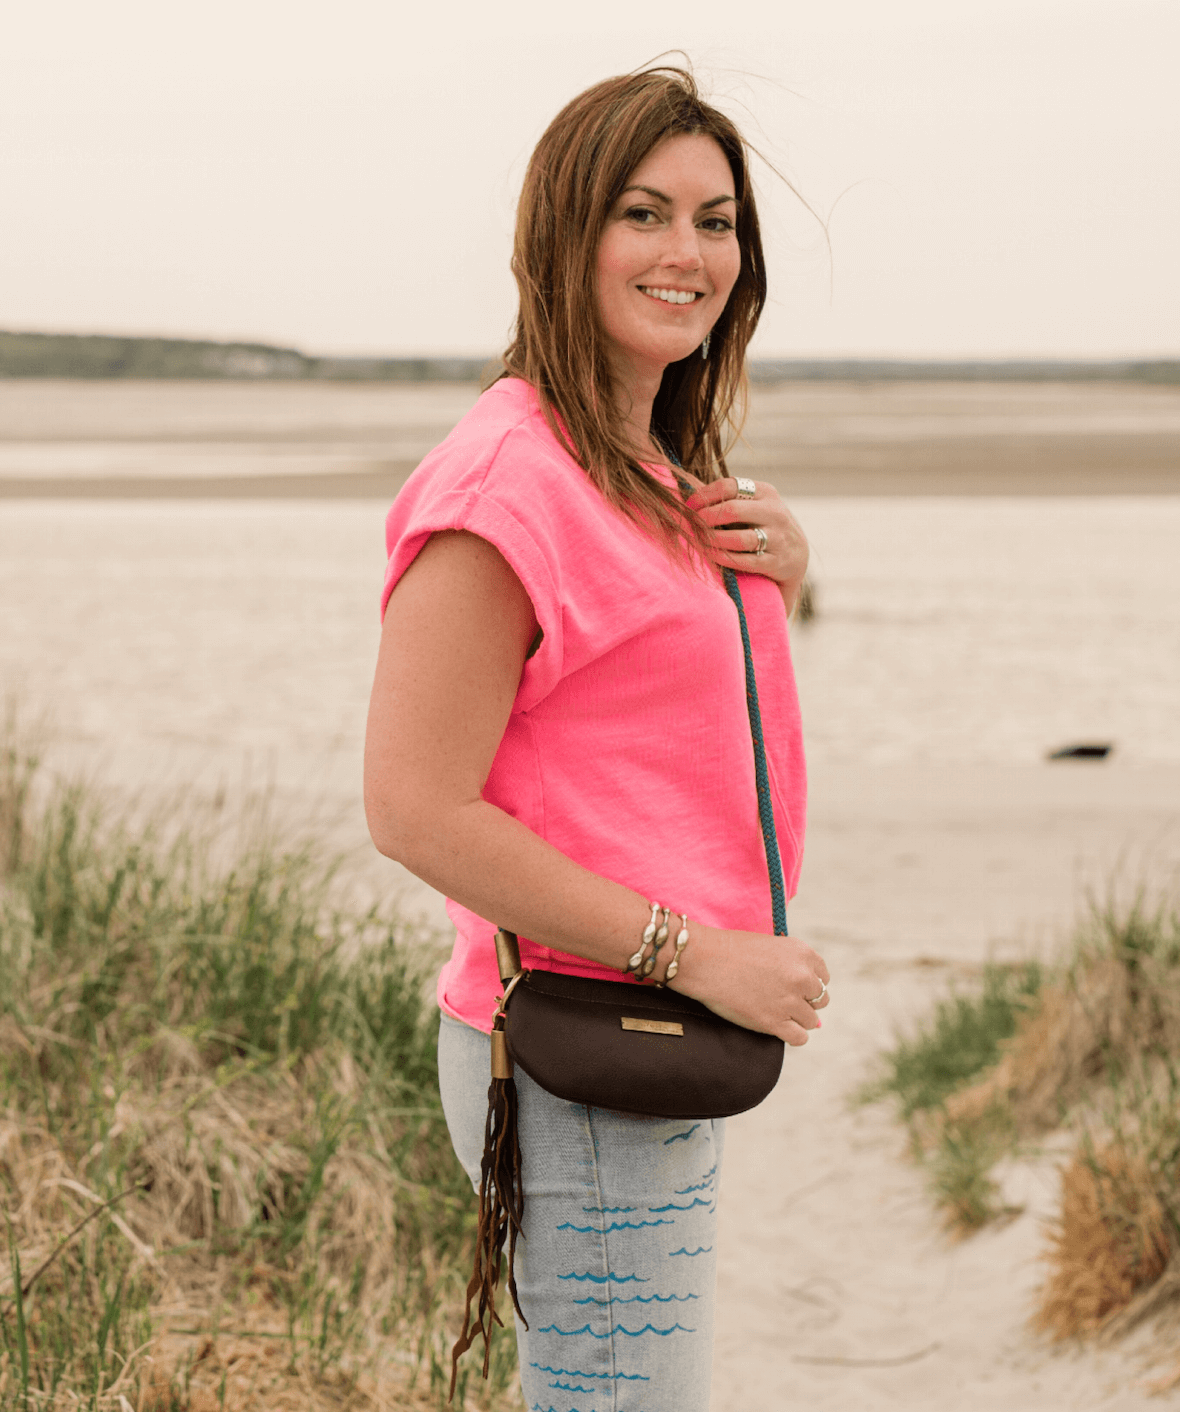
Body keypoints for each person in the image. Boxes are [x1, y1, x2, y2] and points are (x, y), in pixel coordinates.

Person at [363, 66, 831, 1411]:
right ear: (562, 238)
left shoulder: (638, 468)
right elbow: (414, 808)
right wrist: (704, 957)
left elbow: (634, 726)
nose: (689, 253)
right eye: (644, 213)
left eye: (717, 220)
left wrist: (771, 573)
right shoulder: (506, 485)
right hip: (587, 1045)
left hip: (653, 1033)